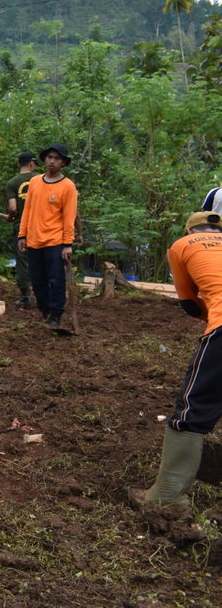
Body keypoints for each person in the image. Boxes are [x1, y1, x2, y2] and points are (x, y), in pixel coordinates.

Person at [129, 211, 222, 516]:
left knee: (193, 407)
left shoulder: (182, 245)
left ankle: (167, 495)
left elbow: (187, 301)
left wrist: (206, 317)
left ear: (189, 229)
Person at [17, 143, 78, 331]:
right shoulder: (35, 182)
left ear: (63, 162)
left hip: (55, 241)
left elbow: (69, 217)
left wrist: (67, 243)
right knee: (37, 280)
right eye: (49, 157)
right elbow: (27, 210)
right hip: (34, 240)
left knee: (56, 280)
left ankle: (56, 314)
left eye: (57, 158)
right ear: (44, 160)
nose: (52, 161)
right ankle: (45, 311)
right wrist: (22, 235)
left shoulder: (68, 187)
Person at [4, 152, 39, 308]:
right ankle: (43, 293)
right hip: (42, 226)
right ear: (31, 163)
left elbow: (13, 208)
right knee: (41, 259)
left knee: (23, 261)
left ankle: (26, 297)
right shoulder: (41, 179)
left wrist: (10, 216)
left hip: (21, 227)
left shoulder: (12, 183)